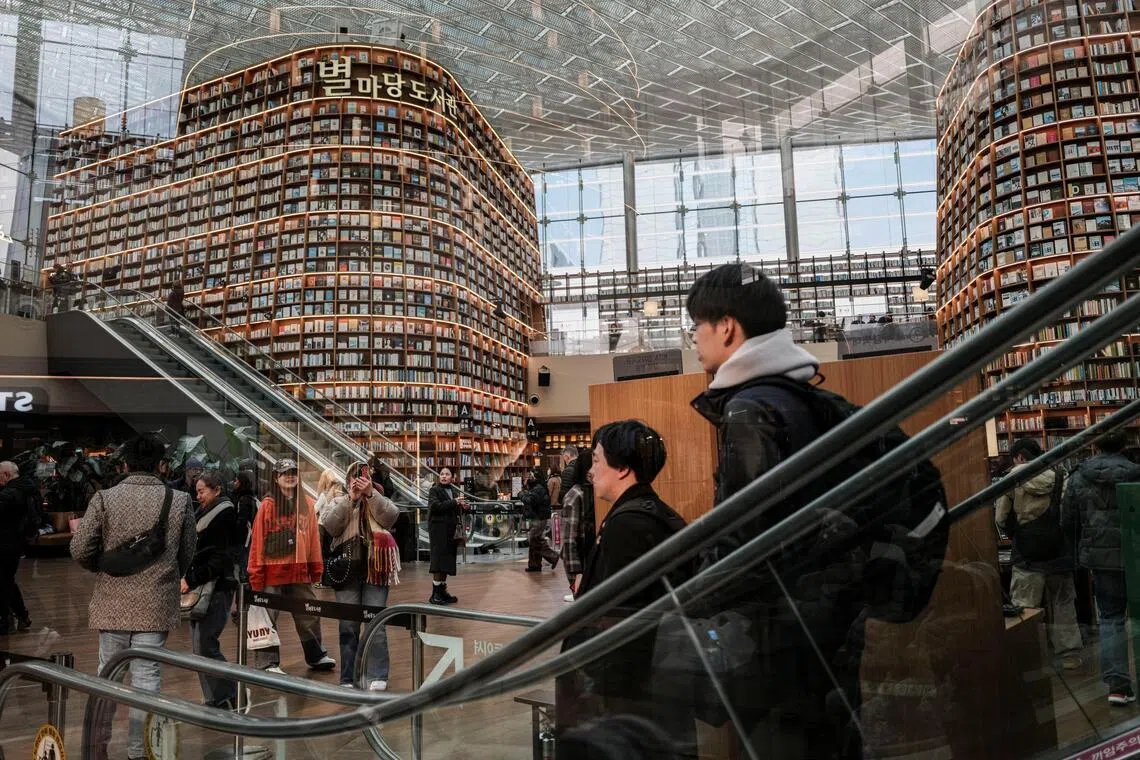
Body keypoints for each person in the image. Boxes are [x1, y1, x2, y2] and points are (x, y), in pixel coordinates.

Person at [685, 263, 861, 758]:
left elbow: (749, 539)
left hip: (777, 643)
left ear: (726, 327)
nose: (694, 339)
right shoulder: (802, 396)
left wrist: (692, 597)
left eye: (697, 325)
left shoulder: (751, 411)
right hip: (827, 630)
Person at [557, 420, 694, 757]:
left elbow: (618, 613)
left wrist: (595, 685)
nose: (591, 471)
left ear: (623, 469)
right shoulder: (649, 514)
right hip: (648, 684)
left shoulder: (630, 524)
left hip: (630, 691)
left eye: (598, 460)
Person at [69, 434, 196, 760]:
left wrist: (104, 567)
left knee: (107, 677)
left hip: (112, 600)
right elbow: (188, 552)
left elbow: (81, 548)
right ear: (161, 465)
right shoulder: (179, 500)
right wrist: (166, 574)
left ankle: (96, 750)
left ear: (125, 464)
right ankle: (140, 753)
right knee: (147, 679)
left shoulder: (105, 498)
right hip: (155, 602)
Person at [1063, 431, 1140, 705]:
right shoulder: (1136, 473)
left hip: (1100, 558)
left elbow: (1068, 520)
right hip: (1136, 553)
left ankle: (1118, 687)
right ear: (1125, 444)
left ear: (1094, 444)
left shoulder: (1079, 476)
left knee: (1110, 618)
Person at [995, 438, 1081, 667]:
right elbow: (1070, 513)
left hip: (1026, 554)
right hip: (1058, 551)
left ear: (1020, 457)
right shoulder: (1061, 475)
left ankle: (1026, 656)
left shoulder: (1012, 480)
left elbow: (1000, 518)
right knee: (1064, 603)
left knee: (1024, 605)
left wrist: (1017, 534)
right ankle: (1069, 655)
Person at [247, 458, 335, 674]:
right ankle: (268, 662)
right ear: (276, 478)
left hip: (300, 572)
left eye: (294, 472)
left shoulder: (307, 504)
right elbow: (257, 542)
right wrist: (255, 576)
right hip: (272, 572)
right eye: (285, 473)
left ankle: (316, 655)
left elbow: (314, 539)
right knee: (268, 616)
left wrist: (316, 569)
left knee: (309, 613)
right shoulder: (268, 506)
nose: (290, 476)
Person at [319, 462, 401, 690]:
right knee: (348, 625)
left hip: (376, 570)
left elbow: (392, 516)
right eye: (354, 477)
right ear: (347, 481)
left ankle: (378, 675)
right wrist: (351, 499)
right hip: (346, 571)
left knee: (375, 622)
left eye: (364, 476)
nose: (359, 480)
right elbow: (330, 526)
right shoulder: (339, 501)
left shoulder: (379, 498)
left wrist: (370, 495)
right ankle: (348, 677)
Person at [183, 469, 241, 709]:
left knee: (205, 643)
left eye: (201, 491)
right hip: (207, 585)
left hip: (217, 586)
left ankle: (227, 692)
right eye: (196, 491)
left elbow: (219, 558)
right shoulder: (208, 512)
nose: (198, 496)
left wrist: (192, 578)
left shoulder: (224, 515)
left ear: (216, 490)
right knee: (201, 645)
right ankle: (217, 697)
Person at [0, 461, 36, 633]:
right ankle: (21, 616)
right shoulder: (27, 489)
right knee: (7, 581)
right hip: (16, 544)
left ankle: (5, 622)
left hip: (4, 544)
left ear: (6, 475)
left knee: (4, 582)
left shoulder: (9, 493)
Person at [560, 448, 597, 603]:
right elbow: (569, 540)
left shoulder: (594, 491)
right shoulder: (576, 495)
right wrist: (576, 575)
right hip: (582, 562)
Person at [427, 467, 466, 605]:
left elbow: (451, 508)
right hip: (438, 531)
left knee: (447, 562)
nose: (443, 476)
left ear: (452, 477)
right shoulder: (434, 490)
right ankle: (435, 594)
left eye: (447, 474)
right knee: (439, 562)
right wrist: (454, 502)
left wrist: (462, 507)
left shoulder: (454, 490)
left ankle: (442, 591)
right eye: (441, 474)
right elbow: (435, 507)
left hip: (450, 531)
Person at [522, 468, 559, 572]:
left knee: (534, 539)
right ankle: (534, 565)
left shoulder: (538, 488)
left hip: (539, 518)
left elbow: (531, 501)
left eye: (531, 475)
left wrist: (521, 495)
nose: (530, 477)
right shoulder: (536, 487)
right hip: (538, 516)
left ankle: (552, 556)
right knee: (535, 539)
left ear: (536, 477)